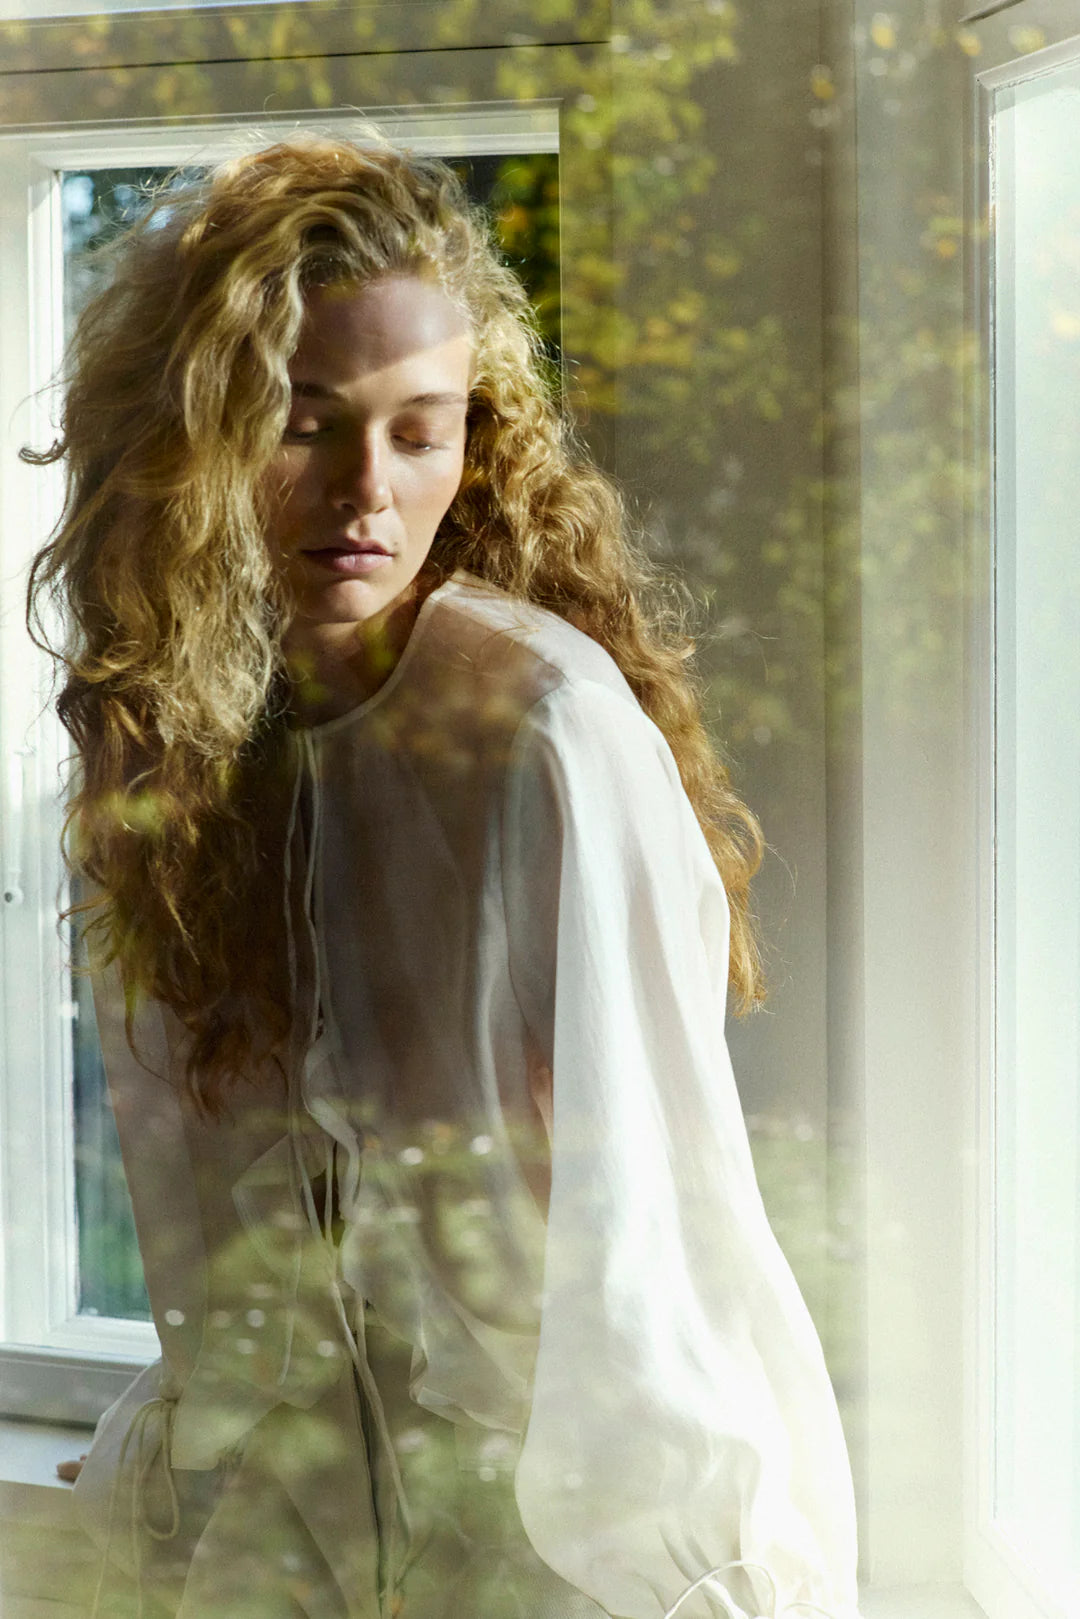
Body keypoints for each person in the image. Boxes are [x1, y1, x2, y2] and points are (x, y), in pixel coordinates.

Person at [26, 135, 861, 1619]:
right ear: (190, 441)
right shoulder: (169, 731)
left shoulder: (539, 731)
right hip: (290, 1534)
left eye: (423, 432)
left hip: (541, 1544)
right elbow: (220, 1223)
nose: (367, 491)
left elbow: (656, 1245)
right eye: (305, 426)